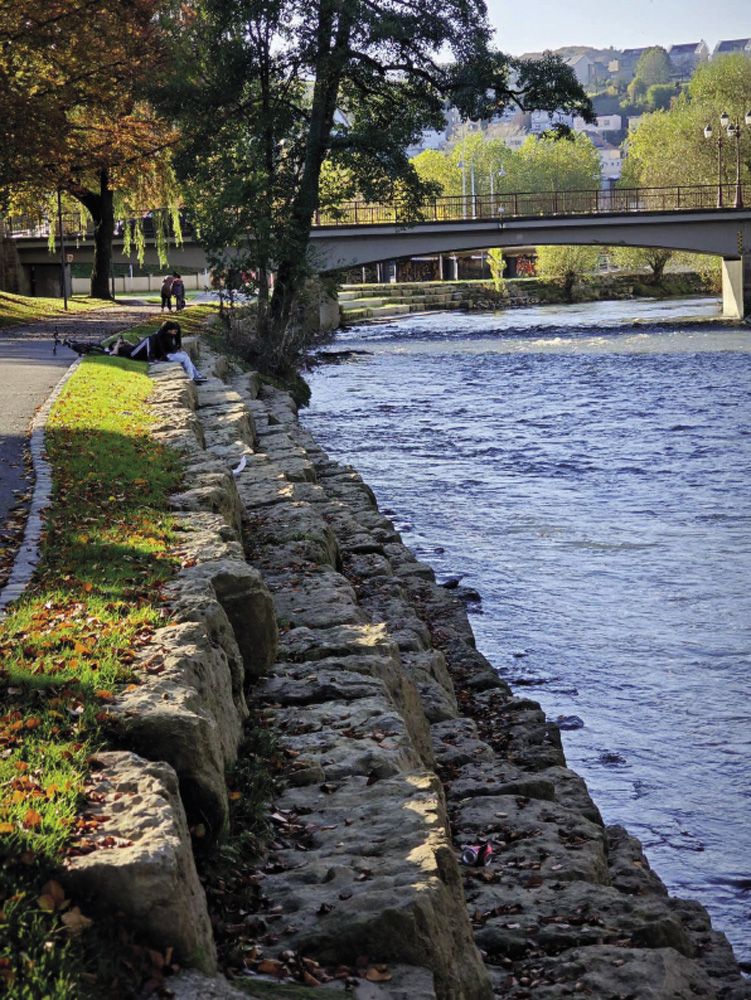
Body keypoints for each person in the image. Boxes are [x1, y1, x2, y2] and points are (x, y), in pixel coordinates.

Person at [127, 320, 207, 383]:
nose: (175, 334)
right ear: (169, 330)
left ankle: (196, 375)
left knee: (184, 354)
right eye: (174, 331)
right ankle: (190, 378)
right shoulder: (162, 336)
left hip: (168, 354)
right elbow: (167, 349)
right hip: (164, 356)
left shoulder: (167, 336)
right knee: (185, 358)